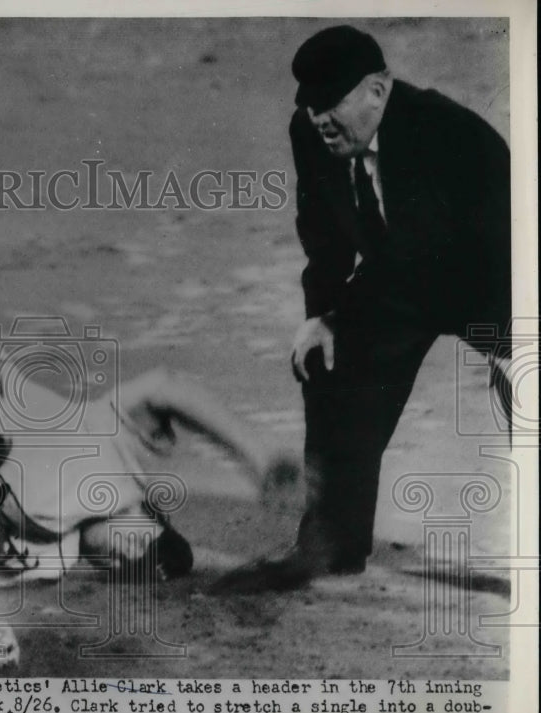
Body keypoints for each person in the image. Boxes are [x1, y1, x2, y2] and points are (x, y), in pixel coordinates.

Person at [213, 26, 512, 593]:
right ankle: (330, 546)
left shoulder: (456, 136)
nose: (321, 118)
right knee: (326, 361)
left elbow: (514, 242)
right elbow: (323, 230)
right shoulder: (310, 132)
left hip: (491, 278)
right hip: (399, 280)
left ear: (377, 90)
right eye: (311, 104)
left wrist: (513, 347)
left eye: (333, 102)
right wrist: (321, 313)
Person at [0, 318, 296, 640]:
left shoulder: (41, 562)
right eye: (148, 542)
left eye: (130, 567)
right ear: (150, 511)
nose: (129, 556)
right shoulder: (111, 440)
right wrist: (261, 455)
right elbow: (166, 385)